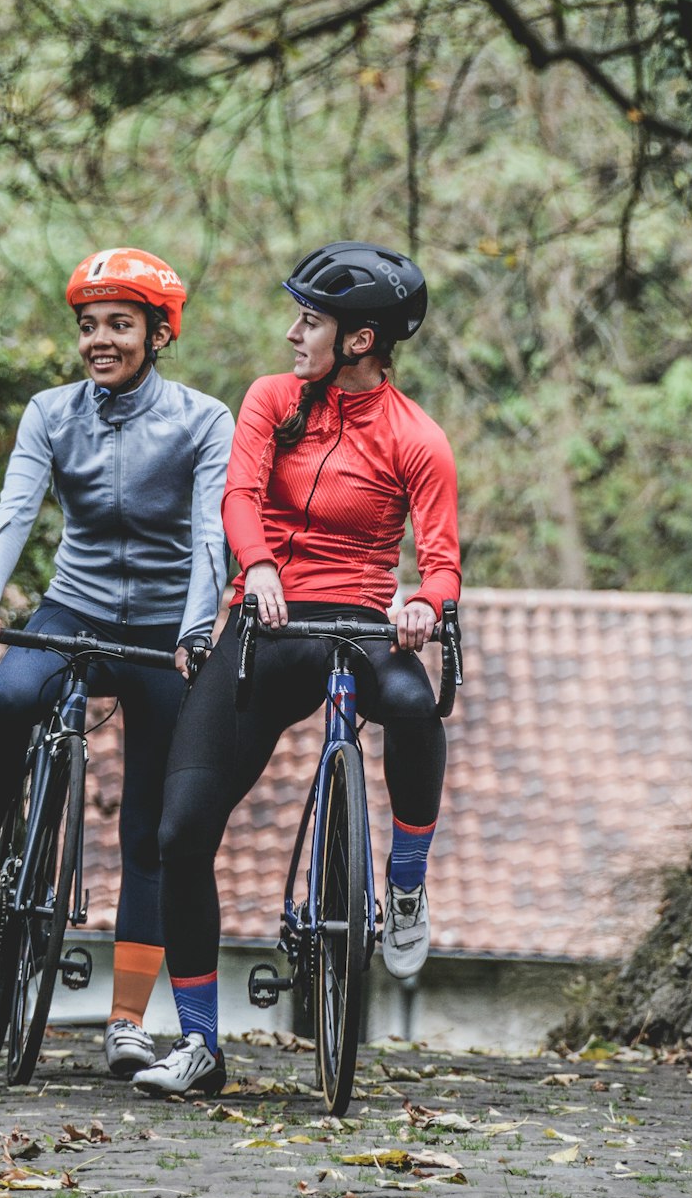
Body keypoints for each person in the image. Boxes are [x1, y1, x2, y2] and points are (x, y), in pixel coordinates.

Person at [134, 240, 461, 1097]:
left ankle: (408, 885)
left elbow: (441, 557)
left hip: (358, 626)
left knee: (418, 713)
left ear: (358, 340)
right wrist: (262, 565)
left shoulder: (416, 437)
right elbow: (238, 496)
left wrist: (425, 604)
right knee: (180, 832)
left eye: (309, 321)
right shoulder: (272, 401)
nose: (292, 333)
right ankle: (200, 1046)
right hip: (267, 620)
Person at [0, 248, 234, 1078]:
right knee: (8, 696)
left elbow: (213, 537)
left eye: (118, 324)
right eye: (88, 326)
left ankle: (128, 1023)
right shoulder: (50, 413)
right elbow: (15, 512)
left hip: (165, 630)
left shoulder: (202, 420)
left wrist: (195, 631)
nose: (99, 340)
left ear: (157, 332)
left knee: (149, 830)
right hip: (74, 607)